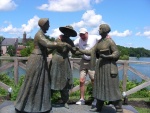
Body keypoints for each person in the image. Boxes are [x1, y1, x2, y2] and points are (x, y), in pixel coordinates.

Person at [14, 18, 69, 113]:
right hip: (37, 59)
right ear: (43, 25)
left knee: (41, 82)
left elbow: (47, 49)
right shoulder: (39, 35)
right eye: (48, 24)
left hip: (41, 58)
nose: (49, 26)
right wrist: (59, 44)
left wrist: (56, 47)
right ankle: (26, 105)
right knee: (33, 81)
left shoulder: (42, 34)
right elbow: (47, 43)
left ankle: (38, 105)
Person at [78, 24, 123, 113]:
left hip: (109, 67)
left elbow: (117, 53)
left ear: (104, 30)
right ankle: (98, 106)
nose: (98, 30)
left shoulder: (110, 41)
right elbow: (91, 51)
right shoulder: (99, 42)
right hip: (101, 68)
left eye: (100, 29)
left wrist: (108, 56)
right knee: (100, 87)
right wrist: (79, 50)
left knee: (112, 88)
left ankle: (119, 108)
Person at [49, 25, 77, 109]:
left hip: (65, 62)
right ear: (64, 31)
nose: (67, 33)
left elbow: (74, 51)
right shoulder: (58, 39)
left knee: (65, 81)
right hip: (56, 61)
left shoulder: (70, 41)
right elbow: (51, 48)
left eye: (69, 32)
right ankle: (48, 100)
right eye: (66, 31)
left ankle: (65, 101)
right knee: (53, 80)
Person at [74, 28, 100, 106]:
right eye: (81, 35)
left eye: (83, 34)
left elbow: (103, 39)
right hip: (84, 60)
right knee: (82, 80)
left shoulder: (94, 37)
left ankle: (96, 99)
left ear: (87, 33)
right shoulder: (78, 40)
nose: (82, 36)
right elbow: (71, 44)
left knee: (93, 80)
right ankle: (82, 99)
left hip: (93, 61)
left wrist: (108, 36)